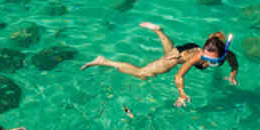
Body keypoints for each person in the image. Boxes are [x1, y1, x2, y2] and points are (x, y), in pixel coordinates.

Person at [81, 22, 238, 107]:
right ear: (203, 51)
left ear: (222, 54)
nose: (209, 62)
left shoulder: (227, 54)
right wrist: (182, 93)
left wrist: (232, 75)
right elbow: (179, 75)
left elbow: (234, 64)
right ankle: (103, 61)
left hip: (186, 48)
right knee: (143, 74)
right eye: (206, 58)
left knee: (167, 54)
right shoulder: (197, 57)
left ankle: (158, 31)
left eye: (214, 61)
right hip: (179, 56)